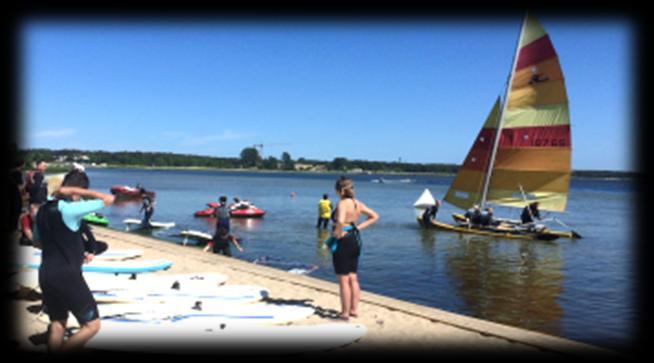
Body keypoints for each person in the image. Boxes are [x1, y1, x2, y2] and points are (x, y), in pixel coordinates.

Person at [35, 169, 115, 352]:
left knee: (58, 324)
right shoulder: (70, 209)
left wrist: (75, 251)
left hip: (46, 273)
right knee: (92, 326)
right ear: (76, 192)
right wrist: (77, 192)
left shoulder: (42, 210)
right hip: (67, 276)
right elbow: (107, 199)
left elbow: (37, 242)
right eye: (82, 193)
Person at [330, 176, 378, 321]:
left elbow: (340, 220)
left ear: (340, 190)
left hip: (343, 241)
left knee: (343, 279)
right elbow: (374, 216)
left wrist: (337, 234)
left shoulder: (342, 203)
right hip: (355, 240)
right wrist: (357, 228)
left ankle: (345, 313)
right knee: (353, 277)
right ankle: (354, 310)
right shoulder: (358, 203)